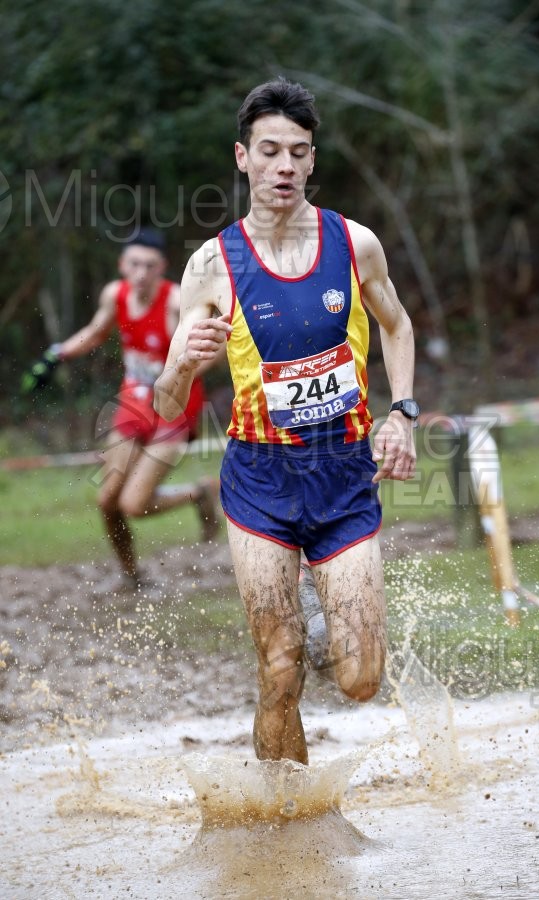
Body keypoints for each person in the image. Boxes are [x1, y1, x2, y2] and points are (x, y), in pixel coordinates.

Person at [154, 78, 417, 764]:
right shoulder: (213, 265)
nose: (285, 168)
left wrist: (403, 413)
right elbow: (161, 400)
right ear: (242, 158)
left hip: (342, 478)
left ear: (312, 159)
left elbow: (398, 324)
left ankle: (330, 632)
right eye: (270, 152)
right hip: (260, 484)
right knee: (279, 667)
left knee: (361, 678)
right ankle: (285, 821)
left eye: (298, 153)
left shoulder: (354, 244)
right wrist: (183, 368)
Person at [24, 229, 219, 594]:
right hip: (132, 403)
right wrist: (57, 355)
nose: (141, 272)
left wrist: (180, 372)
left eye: (149, 265)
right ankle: (132, 575)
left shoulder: (176, 301)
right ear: (122, 265)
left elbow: (217, 346)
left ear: (162, 267)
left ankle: (198, 493)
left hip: (174, 407)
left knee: (133, 503)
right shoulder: (116, 295)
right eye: (134, 264)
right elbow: (96, 332)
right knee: (107, 499)